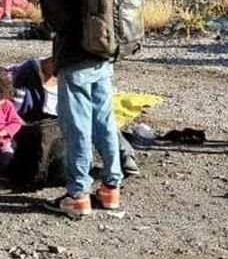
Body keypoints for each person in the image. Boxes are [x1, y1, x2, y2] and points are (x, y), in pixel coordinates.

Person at [23, 0, 123, 218]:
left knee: (77, 125)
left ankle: (78, 195)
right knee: (104, 120)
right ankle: (111, 189)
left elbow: (58, 21)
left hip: (76, 57)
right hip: (103, 50)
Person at [9, 57, 141, 176]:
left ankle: (122, 160)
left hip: (63, 120)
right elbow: (14, 113)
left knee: (98, 121)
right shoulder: (27, 75)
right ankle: (90, 176)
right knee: (90, 125)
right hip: (41, 126)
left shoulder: (76, 76)